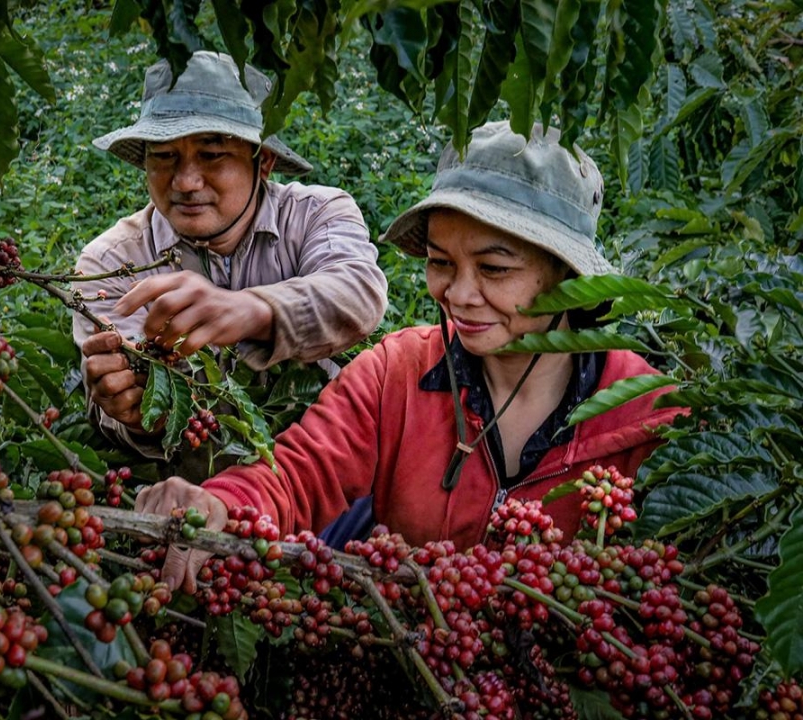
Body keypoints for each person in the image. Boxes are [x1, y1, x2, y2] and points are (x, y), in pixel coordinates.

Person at [137, 120, 682, 592]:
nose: (460, 295)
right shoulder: (397, 371)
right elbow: (299, 473)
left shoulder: (647, 417)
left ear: (566, 273)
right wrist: (221, 504)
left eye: (494, 269)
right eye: (441, 262)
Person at [72, 51, 388, 463]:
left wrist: (251, 310)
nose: (185, 182)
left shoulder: (316, 215)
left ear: (264, 162)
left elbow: (357, 293)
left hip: (322, 468)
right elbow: (128, 400)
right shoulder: (112, 261)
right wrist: (133, 413)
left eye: (213, 154)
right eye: (164, 156)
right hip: (194, 490)